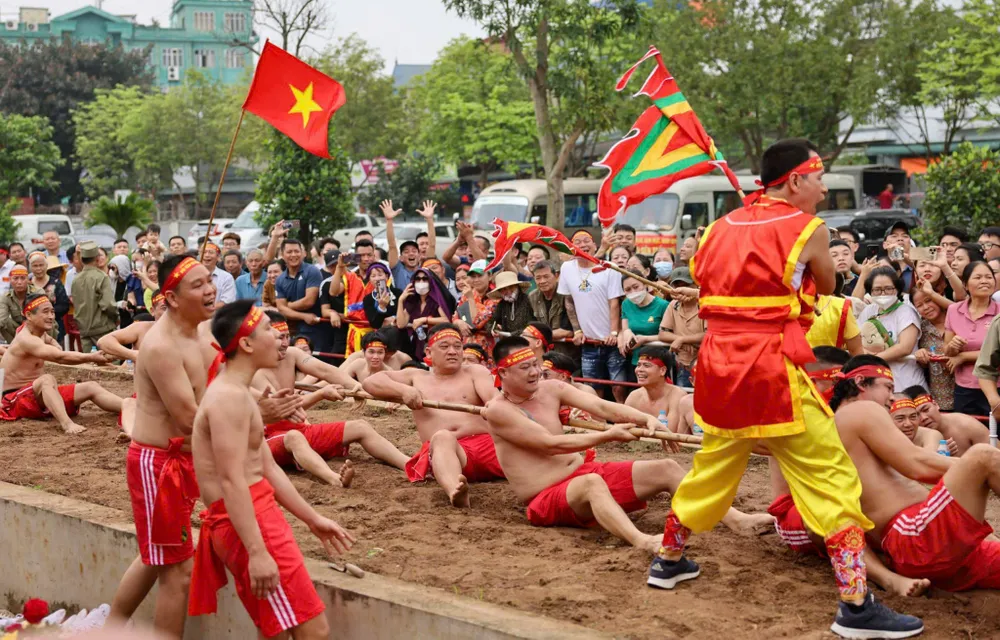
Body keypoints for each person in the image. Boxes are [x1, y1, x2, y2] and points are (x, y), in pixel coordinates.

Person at [649, 139, 918, 638]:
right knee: (832, 477)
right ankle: (856, 605)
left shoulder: (714, 229)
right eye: (818, 176)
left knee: (712, 466)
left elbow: (707, 281)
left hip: (718, 367)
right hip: (770, 369)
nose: (823, 185)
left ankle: (668, 558)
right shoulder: (809, 229)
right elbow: (828, 284)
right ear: (795, 180)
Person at [483, 337, 769, 550]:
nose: (534, 372)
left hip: (581, 474)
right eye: (524, 368)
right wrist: (608, 435)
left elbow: (605, 408)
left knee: (667, 467)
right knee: (591, 484)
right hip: (545, 497)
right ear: (503, 373)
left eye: (535, 365)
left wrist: (647, 421)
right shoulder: (498, 410)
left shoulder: (551, 387)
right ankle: (641, 540)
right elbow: (549, 445)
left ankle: (737, 519)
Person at [187, 301, 354, 639]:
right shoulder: (229, 398)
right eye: (267, 330)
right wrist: (258, 552)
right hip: (248, 523)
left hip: (256, 516)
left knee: (276, 629)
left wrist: (312, 518)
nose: (279, 339)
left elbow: (264, 467)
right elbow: (232, 480)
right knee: (313, 630)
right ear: (246, 344)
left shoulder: (240, 392)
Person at [107, 253, 218, 636]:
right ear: (171, 298)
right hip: (159, 466)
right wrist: (257, 417)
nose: (210, 290)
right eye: (198, 285)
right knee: (179, 571)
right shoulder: (160, 345)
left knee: (157, 557)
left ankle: (109, 629)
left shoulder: (202, 331)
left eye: (210, 280)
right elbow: (190, 418)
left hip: (188, 459)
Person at [829, 356, 1000, 594]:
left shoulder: (837, 428)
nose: (892, 397)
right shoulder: (860, 409)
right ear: (860, 382)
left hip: (930, 549)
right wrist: (971, 469)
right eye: (887, 387)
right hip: (915, 538)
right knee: (983, 456)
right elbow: (918, 465)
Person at [251, 311, 408, 488]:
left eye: (288, 336)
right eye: (280, 338)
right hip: (268, 439)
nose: (285, 343)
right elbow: (281, 410)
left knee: (361, 426)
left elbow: (326, 371)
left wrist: (354, 386)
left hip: (301, 429)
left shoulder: (292, 354)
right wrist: (320, 394)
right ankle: (334, 478)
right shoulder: (254, 368)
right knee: (294, 437)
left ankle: (410, 464)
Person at [362, 324, 502, 507]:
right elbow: (371, 382)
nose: (452, 351)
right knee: (442, 437)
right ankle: (455, 490)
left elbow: (494, 399)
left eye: (457, 346)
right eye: (444, 347)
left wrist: (493, 406)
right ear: (428, 352)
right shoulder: (416, 376)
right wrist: (404, 391)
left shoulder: (475, 372)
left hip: (487, 446)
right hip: (448, 453)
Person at [0, 293, 119, 430]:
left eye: (52, 312)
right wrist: (91, 357)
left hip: (37, 396)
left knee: (90, 387)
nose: (51, 316)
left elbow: (49, 340)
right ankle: (67, 424)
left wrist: (55, 344)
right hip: (13, 401)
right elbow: (60, 358)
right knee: (47, 379)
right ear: (28, 315)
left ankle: (131, 406)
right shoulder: (26, 339)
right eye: (45, 312)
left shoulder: (38, 331)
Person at [558, 230, 626, 401]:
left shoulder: (609, 268)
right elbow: (569, 301)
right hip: (588, 342)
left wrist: (613, 333)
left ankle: (625, 422)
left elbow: (614, 302)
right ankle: (599, 425)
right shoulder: (567, 268)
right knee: (593, 390)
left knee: (619, 388)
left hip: (612, 341)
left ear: (595, 245)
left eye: (586, 240)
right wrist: (577, 330)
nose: (582, 245)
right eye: (577, 242)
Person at [942, 261, 999, 416]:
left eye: (989, 277)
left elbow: (996, 353)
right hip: (964, 387)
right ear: (966, 285)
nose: (984, 281)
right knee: (966, 433)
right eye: (978, 277)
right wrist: (953, 347)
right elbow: (947, 350)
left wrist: (963, 356)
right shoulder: (954, 310)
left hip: (995, 387)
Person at [857, 266, 926, 391]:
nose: (883, 293)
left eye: (888, 289)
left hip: (906, 381)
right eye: (877, 290)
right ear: (870, 291)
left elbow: (905, 347)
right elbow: (857, 340)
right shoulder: (868, 311)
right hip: (876, 380)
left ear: (898, 289)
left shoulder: (906, 312)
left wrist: (869, 359)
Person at [901, 386, 987, 456]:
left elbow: (995, 456)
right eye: (915, 415)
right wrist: (940, 457)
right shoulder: (909, 436)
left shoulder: (967, 424)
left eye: (926, 409)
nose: (923, 418)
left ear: (936, 404)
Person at [656, 268, 704, 387]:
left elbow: (710, 334)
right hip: (683, 364)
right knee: (683, 399)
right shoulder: (673, 305)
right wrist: (680, 339)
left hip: (704, 364)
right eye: (677, 285)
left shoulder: (705, 304)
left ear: (696, 286)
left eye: (686, 285)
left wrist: (682, 340)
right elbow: (662, 333)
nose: (682, 291)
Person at [624, 346, 689, 433]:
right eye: (638, 365)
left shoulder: (677, 396)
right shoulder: (634, 396)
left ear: (662, 370)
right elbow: (621, 429)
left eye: (646, 365)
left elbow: (669, 434)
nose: (639, 370)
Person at [71, 242, 119, 353]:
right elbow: (108, 304)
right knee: (110, 361)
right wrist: (116, 317)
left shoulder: (76, 279)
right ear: (97, 259)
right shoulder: (101, 277)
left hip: (84, 328)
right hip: (102, 328)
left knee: (90, 364)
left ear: (81, 259)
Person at [912, 287, 955, 410]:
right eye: (919, 305)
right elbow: (923, 365)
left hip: (967, 391)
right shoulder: (920, 329)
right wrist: (920, 354)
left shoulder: (958, 319)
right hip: (941, 399)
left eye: (929, 300)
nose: (925, 307)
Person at [397, 267, 453, 361]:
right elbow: (400, 324)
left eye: (425, 279)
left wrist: (424, 319)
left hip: (434, 342)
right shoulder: (413, 301)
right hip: (416, 344)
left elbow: (446, 320)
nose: (421, 282)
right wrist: (400, 300)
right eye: (418, 279)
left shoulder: (435, 301)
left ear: (430, 281)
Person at [620, 271, 669, 375]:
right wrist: (627, 332)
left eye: (636, 287)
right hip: (636, 361)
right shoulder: (626, 304)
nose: (633, 292)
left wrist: (645, 339)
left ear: (645, 284)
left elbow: (671, 335)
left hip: (658, 361)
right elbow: (625, 327)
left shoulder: (663, 306)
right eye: (628, 290)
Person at [97, 290, 168, 362]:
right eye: (164, 308)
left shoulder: (179, 333)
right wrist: (133, 354)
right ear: (152, 311)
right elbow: (104, 341)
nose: (169, 312)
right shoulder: (142, 328)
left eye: (173, 308)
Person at [275, 238, 324, 342]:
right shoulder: (280, 279)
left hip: (315, 329)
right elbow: (281, 309)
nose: (293, 255)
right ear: (282, 255)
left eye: (297, 251)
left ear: (302, 253)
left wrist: (288, 306)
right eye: (289, 252)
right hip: (291, 331)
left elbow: (308, 301)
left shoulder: (312, 271)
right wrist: (303, 316)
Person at [527, 260, 575, 359]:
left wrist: (539, 335)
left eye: (546, 276)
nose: (542, 281)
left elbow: (568, 331)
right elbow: (531, 327)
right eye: (538, 278)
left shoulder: (566, 295)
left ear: (556, 276)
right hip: (543, 354)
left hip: (567, 355)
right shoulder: (532, 297)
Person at [887, 395, 955, 454]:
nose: (908, 424)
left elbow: (929, 460)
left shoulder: (930, 434)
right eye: (900, 418)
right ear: (887, 419)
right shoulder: (881, 440)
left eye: (913, 417)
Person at [0, 266, 49, 343]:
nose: (19, 282)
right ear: (10, 280)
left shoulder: (38, 292)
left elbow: (44, 316)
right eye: (15, 278)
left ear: (28, 280)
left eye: (23, 278)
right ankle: (14, 347)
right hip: (17, 330)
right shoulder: (6, 297)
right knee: (5, 322)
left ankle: (42, 346)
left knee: (47, 320)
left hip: (36, 327)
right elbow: (1, 319)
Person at [489, 270, 533, 336]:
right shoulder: (502, 304)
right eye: (503, 289)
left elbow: (533, 325)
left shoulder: (528, 300)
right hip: (507, 343)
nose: (508, 291)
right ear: (499, 291)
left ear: (517, 286)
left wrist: (513, 334)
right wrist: (494, 328)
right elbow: (491, 322)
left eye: (511, 287)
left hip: (527, 341)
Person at [360, 262, 400, 330]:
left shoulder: (397, 293)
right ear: (370, 280)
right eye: (373, 276)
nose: (377, 279)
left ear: (387, 276)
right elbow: (374, 323)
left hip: (399, 332)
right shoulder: (368, 299)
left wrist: (394, 318)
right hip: (380, 336)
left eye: (380, 275)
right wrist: (381, 307)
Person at [200, 243, 236, 307]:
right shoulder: (191, 275)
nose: (207, 255)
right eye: (204, 252)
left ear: (218, 257)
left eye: (211, 252)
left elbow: (227, 302)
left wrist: (205, 310)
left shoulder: (226, 277)